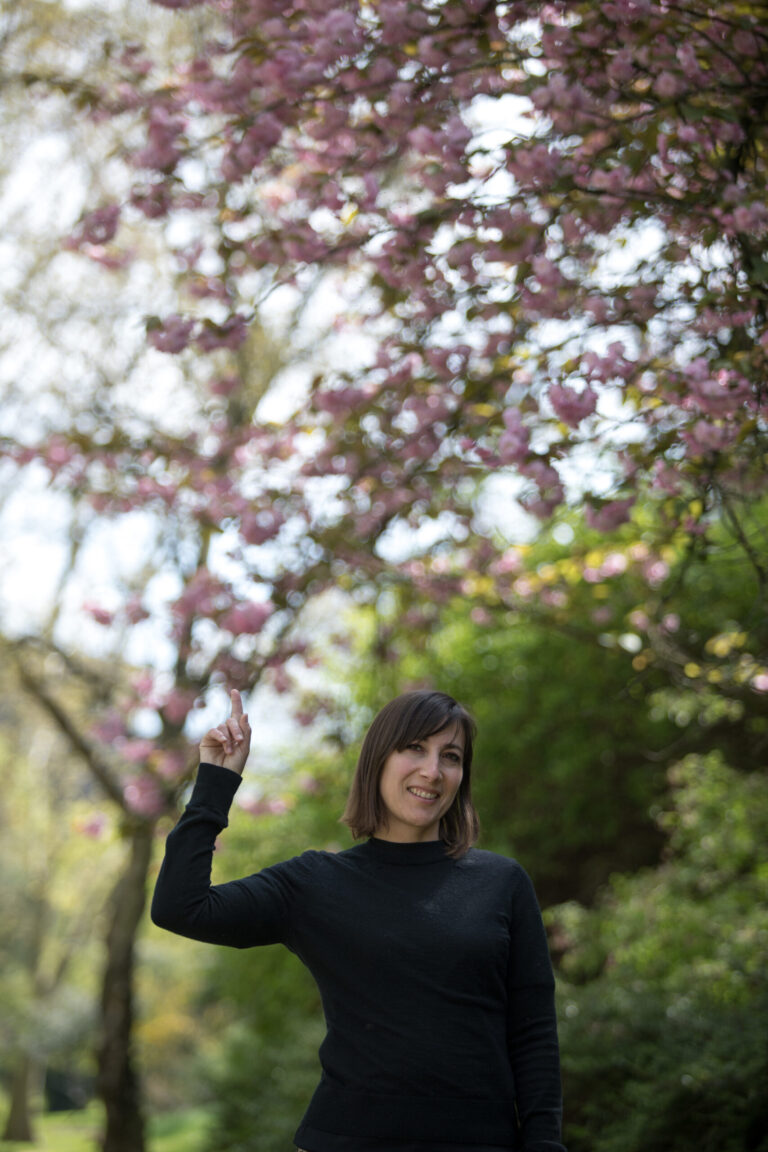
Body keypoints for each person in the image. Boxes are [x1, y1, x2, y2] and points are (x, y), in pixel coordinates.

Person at [151, 687, 566, 1152]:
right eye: (415, 748)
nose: (432, 770)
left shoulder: (502, 882)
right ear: (378, 760)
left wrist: (544, 1144)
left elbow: (533, 1033)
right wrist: (215, 781)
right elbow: (179, 907)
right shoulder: (315, 882)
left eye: (450, 756)